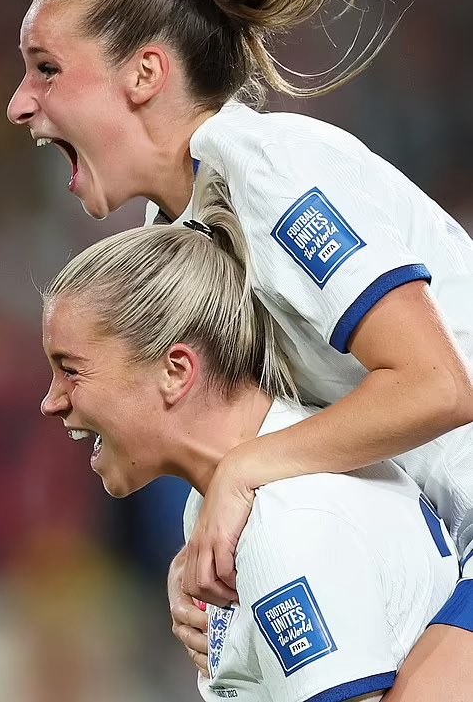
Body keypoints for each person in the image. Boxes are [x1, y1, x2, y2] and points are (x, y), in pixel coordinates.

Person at [7, 0, 473, 691]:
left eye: (46, 68)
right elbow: (238, 429)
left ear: (144, 75)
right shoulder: (178, 232)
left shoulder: (270, 171)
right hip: (427, 545)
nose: (19, 104)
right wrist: (207, 549)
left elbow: (436, 385)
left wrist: (244, 475)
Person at [39, 174, 461, 702]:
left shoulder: (288, 522)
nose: (51, 400)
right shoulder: (220, 501)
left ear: (175, 371)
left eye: (71, 370)